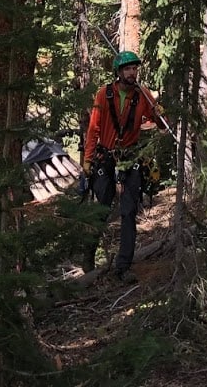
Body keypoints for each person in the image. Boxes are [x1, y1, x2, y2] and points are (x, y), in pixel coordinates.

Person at [82, 49, 160, 281]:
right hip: (105, 157)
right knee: (101, 208)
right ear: (118, 72)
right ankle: (88, 255)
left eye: (135, 68)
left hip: (131, 158)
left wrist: (158, 113)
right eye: (127, 68)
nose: (132, 72)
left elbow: (161, 123)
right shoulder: (103, 95)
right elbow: (94, 128)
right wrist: (88, 158)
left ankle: (123, 266)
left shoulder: (143, 95)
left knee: (128, 211)